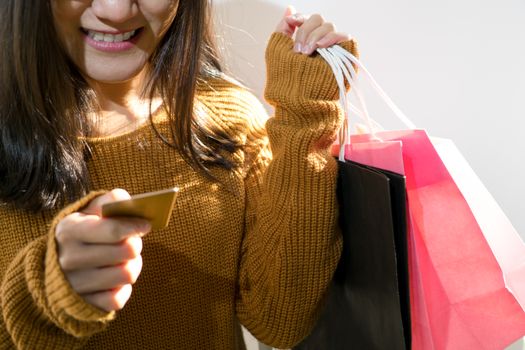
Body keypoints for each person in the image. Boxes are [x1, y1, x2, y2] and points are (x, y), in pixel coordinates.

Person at [0, 0, 357, 349]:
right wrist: (44, 295)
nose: (117, 10)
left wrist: (305, 116)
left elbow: (279, 320)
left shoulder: (230, 119)